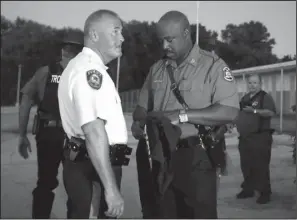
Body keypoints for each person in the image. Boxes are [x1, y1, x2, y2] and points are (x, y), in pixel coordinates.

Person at [131, 11, 239, 219]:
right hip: (162, 155)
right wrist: (140, 120)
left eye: (169, 40)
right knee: (163, 212)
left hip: (196, 157)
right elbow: (142, 106)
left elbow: (230, 111)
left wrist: (182, 115)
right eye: (161, 41)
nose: (164, 47)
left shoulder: (213, 66)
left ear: (186, 34)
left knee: (199, 213)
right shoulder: (157, 70)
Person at [58, 9, 129, 219]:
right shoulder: (90, 72)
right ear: (95, 35)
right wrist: (111, 189)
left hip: (90, 165)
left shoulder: (84, 67)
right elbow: (93, 130)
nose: (122, 38)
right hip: (93, 169)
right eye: (115, 31)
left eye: (121, 32)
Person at [18, 33, 83, 218]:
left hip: (49, 134)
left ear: (62, 50)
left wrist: (22, 135)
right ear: (80, 52)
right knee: (76, 185)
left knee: (45, 183)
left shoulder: (45, 72)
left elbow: (25, 101)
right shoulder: (85, 74)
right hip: (76, 137)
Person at [235, 74, 276, 204]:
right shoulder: (245, 98)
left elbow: (271, 112)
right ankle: (248, 189)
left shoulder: (265, 97)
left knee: (261, 165)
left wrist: (254, 111)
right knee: (246, 165)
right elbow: (239, 113)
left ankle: (265, 192)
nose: (252, 85)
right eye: (250, 83)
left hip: (260, 137)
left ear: (260, 84)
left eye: (255, 83)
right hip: (245, 138)